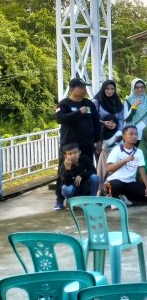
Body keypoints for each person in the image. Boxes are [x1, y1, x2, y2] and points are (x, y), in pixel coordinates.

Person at [55, 77, 102, 210]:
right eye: (81, 87)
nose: (84, 89)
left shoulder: (89, 103)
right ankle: (60, 199)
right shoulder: (64, 104)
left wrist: (99, 140)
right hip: (69, 145)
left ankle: (87, 198)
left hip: (87, 144)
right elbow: (60, 119)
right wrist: (78, 113)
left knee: (88, 169)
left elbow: (96, 122)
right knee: (65, 169)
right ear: (72, 89)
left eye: (84, 87)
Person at [105, 125, 147, 205]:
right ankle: (114, 198)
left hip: (130, 182)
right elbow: (108, 168)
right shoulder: (116, 150)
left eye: (136, 134)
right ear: (124, 136)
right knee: (117, 186)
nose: (134, 136)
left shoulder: (139, 151)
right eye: (131, 134)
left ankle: (122, 197)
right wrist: (125, 160)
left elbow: (141, 168)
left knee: (146, 196)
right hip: (115, 180)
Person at [95, 114, 122, 196]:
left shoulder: (119, 133)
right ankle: (102, 190)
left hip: (116, 156)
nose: (111, 124)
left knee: (112, 174)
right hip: (104, 156)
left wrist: (101, 144)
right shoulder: (101, 133)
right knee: (102, 173)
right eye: (109, 122)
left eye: (113, 122)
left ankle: (112, 192)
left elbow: (110, 145)